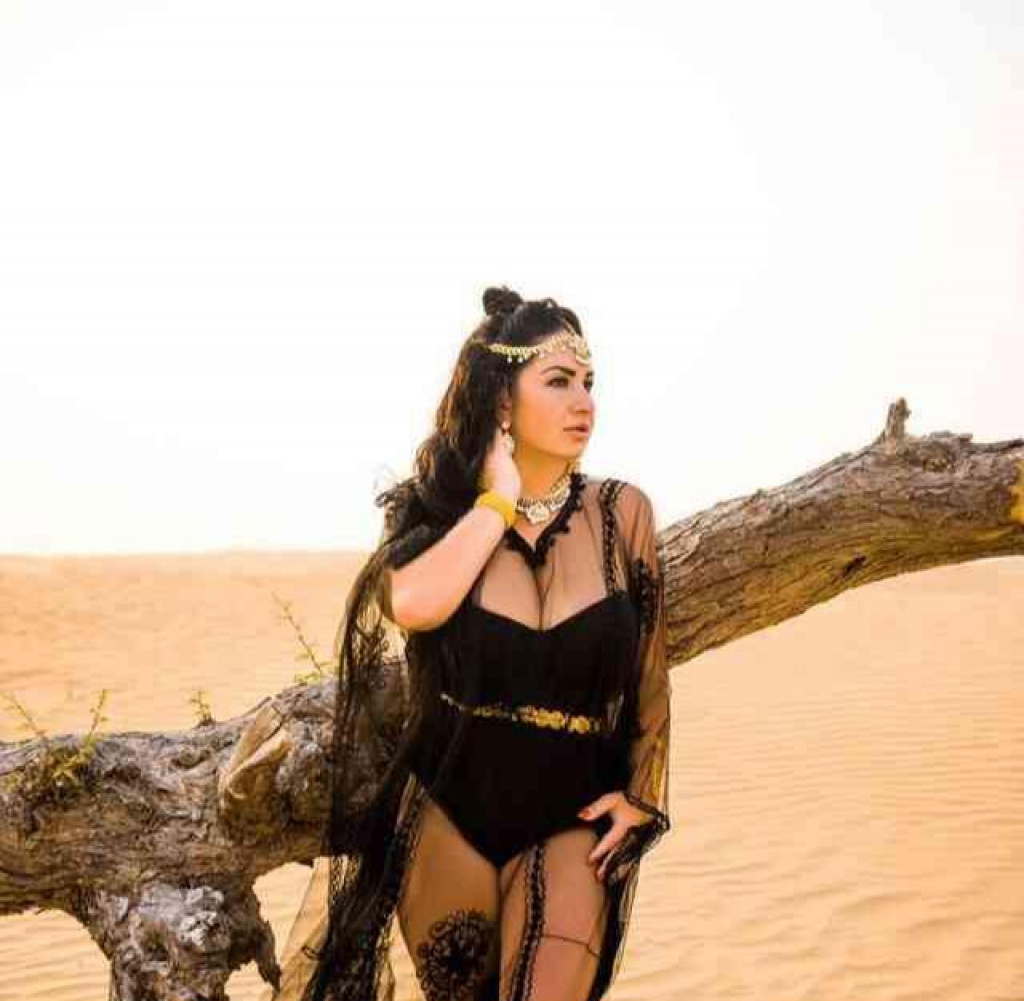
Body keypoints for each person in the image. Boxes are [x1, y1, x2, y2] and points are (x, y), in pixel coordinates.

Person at [263, 286, 671, 1001]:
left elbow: (650, 670)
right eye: (559, 381)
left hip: (572, 815)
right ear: (503, 401)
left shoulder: (621, 515)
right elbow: (414, 605)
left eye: (589, 382)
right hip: (447, 812)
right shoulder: (434, 510)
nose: (584, 402)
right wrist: (497, 502)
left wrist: (644, 794)